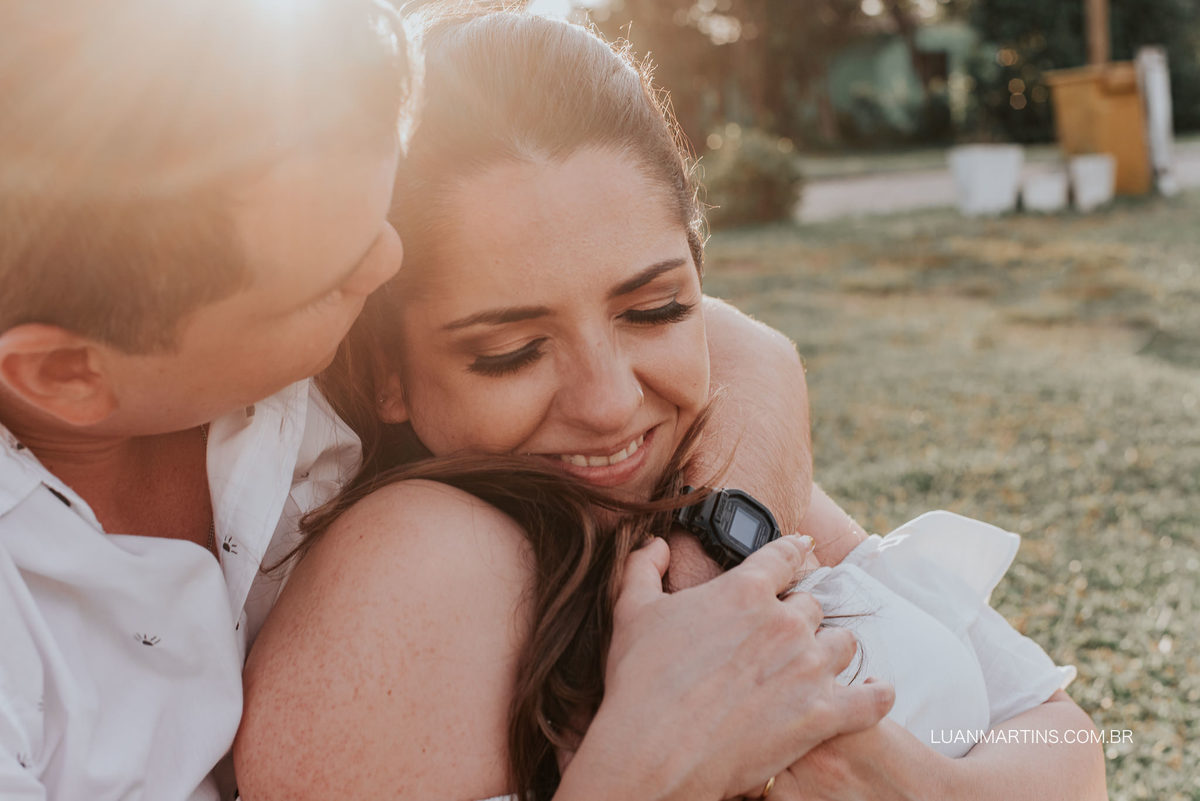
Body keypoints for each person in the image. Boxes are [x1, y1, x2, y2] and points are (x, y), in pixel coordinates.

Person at [0, 2, 891, 799]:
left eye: (377, 214)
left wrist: (698, 585)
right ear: (63, 374)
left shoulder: (291, 370)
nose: (388, 265)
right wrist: (646, 768)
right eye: (332, 274)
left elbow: (743, 347)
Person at [234, 11, 1107, 801]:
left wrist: (905, 783)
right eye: (510, 352)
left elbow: (1061, 738)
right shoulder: (417, 559)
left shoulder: (723, 474)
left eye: (654, 309)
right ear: (387, 366)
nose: (612, 403)